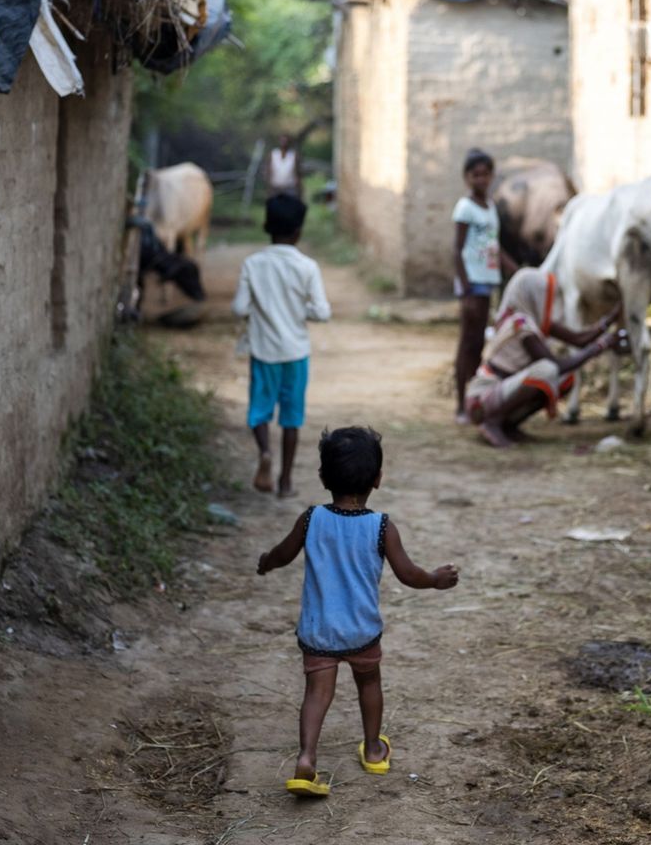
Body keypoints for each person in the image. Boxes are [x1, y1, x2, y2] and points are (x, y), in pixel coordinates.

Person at [257, 427, 459, 798]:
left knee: (317, 693)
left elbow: (283, 554)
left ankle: (306, 758)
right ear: (378, 480)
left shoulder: (311, 518)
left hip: (319, 631)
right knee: (369, 683)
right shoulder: (381, 527)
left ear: (322, 477)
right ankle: (373, 749)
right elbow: (408, 573)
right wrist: (434, 579)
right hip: (362, 631)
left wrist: (266, 562)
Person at [233, 193, 330, 497]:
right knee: (292, 419)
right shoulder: (307, 266)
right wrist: (299, 311)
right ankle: (285, 482)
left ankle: (264, 452)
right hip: (295, 354)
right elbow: (322, 312)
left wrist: (262, 310)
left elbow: (239, 308)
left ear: (266, 226)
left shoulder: (253, 264)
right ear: (299, 231)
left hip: (263, 352)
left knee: (259, 411)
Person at [464, 266, 625, 450]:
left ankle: (508, 424)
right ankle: (491, 421)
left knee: (564, 380)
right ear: (531, 295)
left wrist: (611, 318)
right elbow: (555, 365)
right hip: (482, 398)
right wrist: (600, 346)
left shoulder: (532, 320)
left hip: (502, 390)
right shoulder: (521, 324)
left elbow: (579, 339)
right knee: (547, 371)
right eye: (545, 295)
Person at [452, 149, 511, 424]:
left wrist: (517, 270)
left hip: (488, 282)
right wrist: (464, 290)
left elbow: (493, 247)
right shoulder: (465, 208)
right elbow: (457, 250)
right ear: (467, 178)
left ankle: (473, 401)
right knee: (467, 344)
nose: (481, 179)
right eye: (476, 174)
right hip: (472, 284)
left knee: (478, 345)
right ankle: (460, 405)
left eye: (486, 174)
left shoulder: (490, 206)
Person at [266, 133, 301, 200]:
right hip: (275, 187)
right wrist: (269, 186)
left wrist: (299, 190)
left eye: (286, 141)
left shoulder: (293, 155)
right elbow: (268, 171)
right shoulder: (273, 154)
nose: (284, 143)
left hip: (290, 188)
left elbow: (298, 173)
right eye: (282, 141)